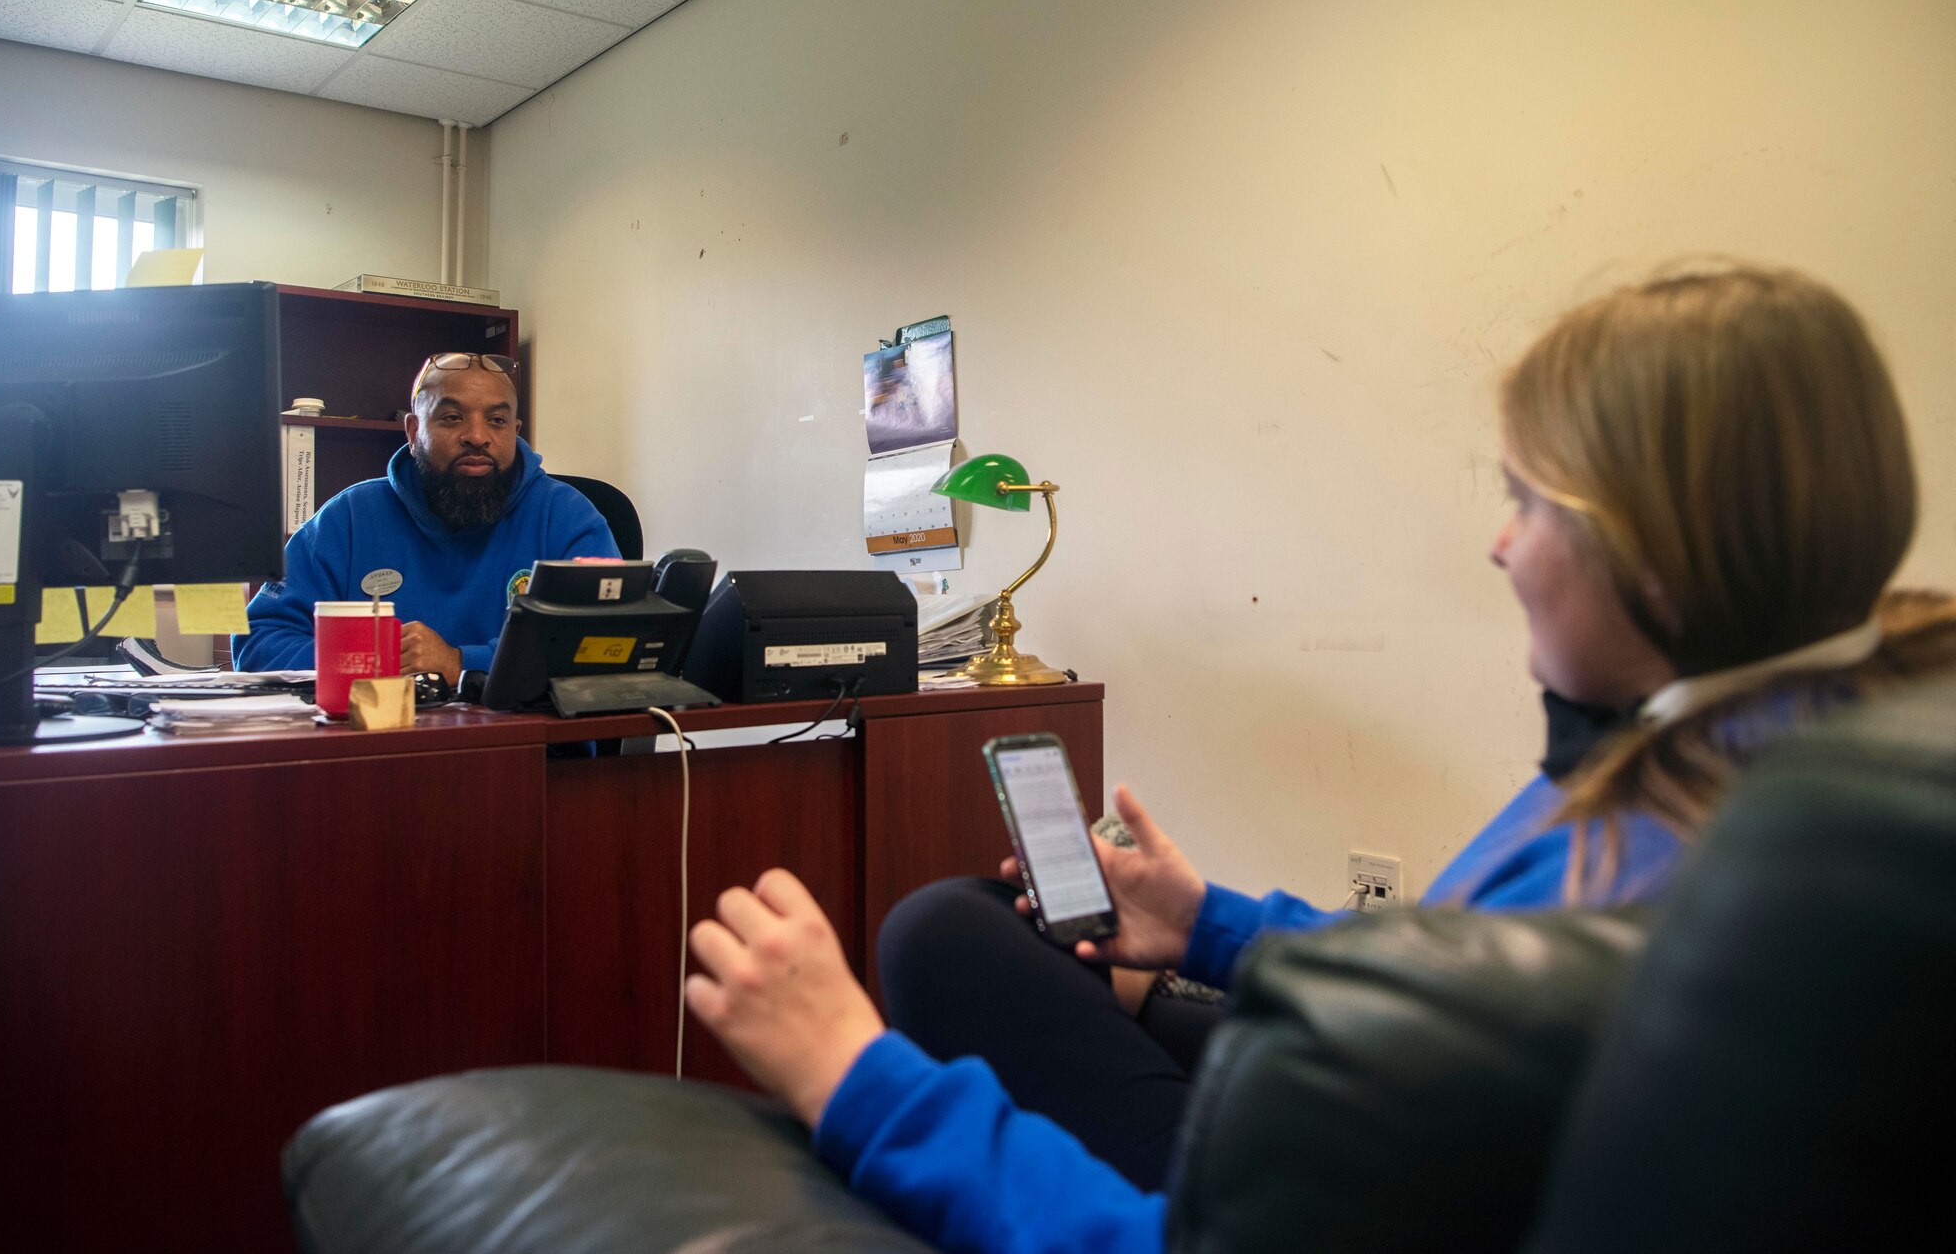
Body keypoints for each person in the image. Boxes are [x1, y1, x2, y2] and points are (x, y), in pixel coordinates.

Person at [680, 263, 1956, 1254]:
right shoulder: (1768, 747)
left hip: (1267, 1190)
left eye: (1526, 504)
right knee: (955, 926)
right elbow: (1461, 980)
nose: (1502, 551)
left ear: (1656, 555)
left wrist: (850, 1074)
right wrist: (1214, 928)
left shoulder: (1651, 863)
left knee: (923, 951)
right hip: (1391, 1135)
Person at [236, 352, 620, 683]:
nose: (477, 436)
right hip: (380, 750)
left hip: (533, 757)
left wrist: (460, 663)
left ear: (516, 431)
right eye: (452, 418)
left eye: (496, 421)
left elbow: (609, 641)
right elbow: (259, 641)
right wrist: (374, 661)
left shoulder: (567, 516)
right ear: (413, 431)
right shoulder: (349, 519)